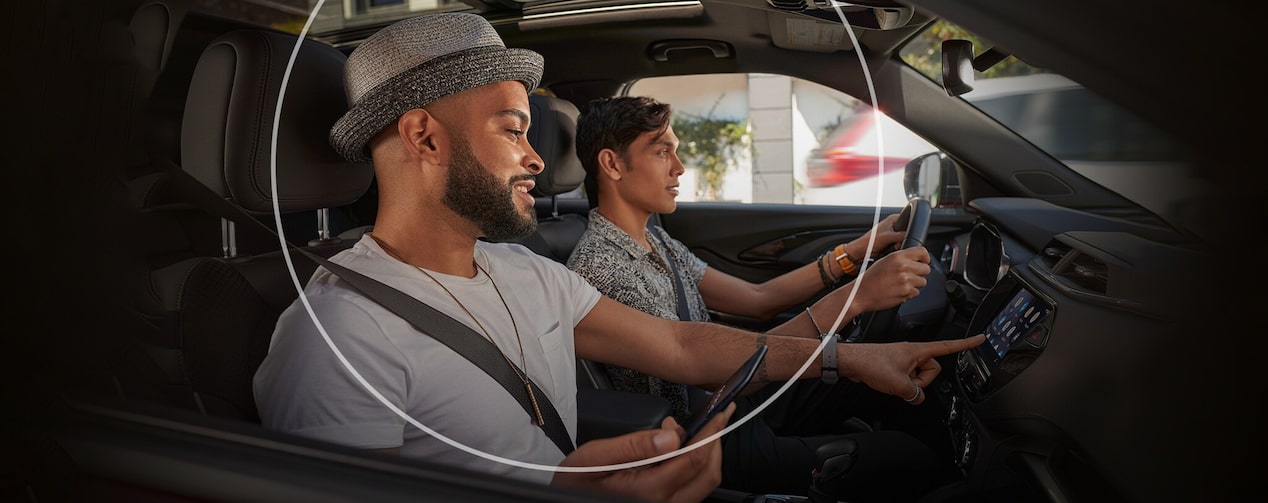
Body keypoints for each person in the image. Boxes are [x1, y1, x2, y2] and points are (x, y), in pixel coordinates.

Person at [252, 12, 984, 503]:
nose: (538, 156)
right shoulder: (337, 339)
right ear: (424, 137)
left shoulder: (523, 269)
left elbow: (678, 341)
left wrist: (850, 360)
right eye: (513, 129)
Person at [567, 96, 950, 497]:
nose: (679, 168)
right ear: (611, 164)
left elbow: (758, 298)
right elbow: (703, 365)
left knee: (883, 389)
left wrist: (856, 251)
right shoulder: (602, 268)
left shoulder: (657, 240)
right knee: (903, 457)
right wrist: (855, 297)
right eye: (662, 152)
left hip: (733, 399)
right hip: (708, 433)